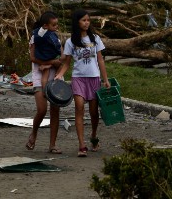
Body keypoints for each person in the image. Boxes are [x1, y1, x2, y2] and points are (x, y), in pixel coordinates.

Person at [54, 9, 110, 157]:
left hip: (94, 78)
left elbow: (100, 60)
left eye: (88, 20)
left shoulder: (95, 39)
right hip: (78, 78)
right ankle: (81, 145)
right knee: (79, 107)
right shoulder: (71, 41)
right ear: (77, 22)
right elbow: (66, 63)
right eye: (83, 20)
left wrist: (105, 79)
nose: (86, 23)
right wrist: (59, 75)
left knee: (93, 112)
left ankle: (93, 135)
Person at [26, 11, 63, 154]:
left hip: (55, 74)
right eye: (53, 24)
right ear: (45, 25)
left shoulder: (55, 38)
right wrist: (49, 63)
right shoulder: (35, 38)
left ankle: (52, 144)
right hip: (38, 73)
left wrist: (55, 64)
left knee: (55, 110)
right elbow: (33, 57)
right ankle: (34, 133)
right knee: (42, 109)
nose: (56, 27)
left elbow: (61, 56)